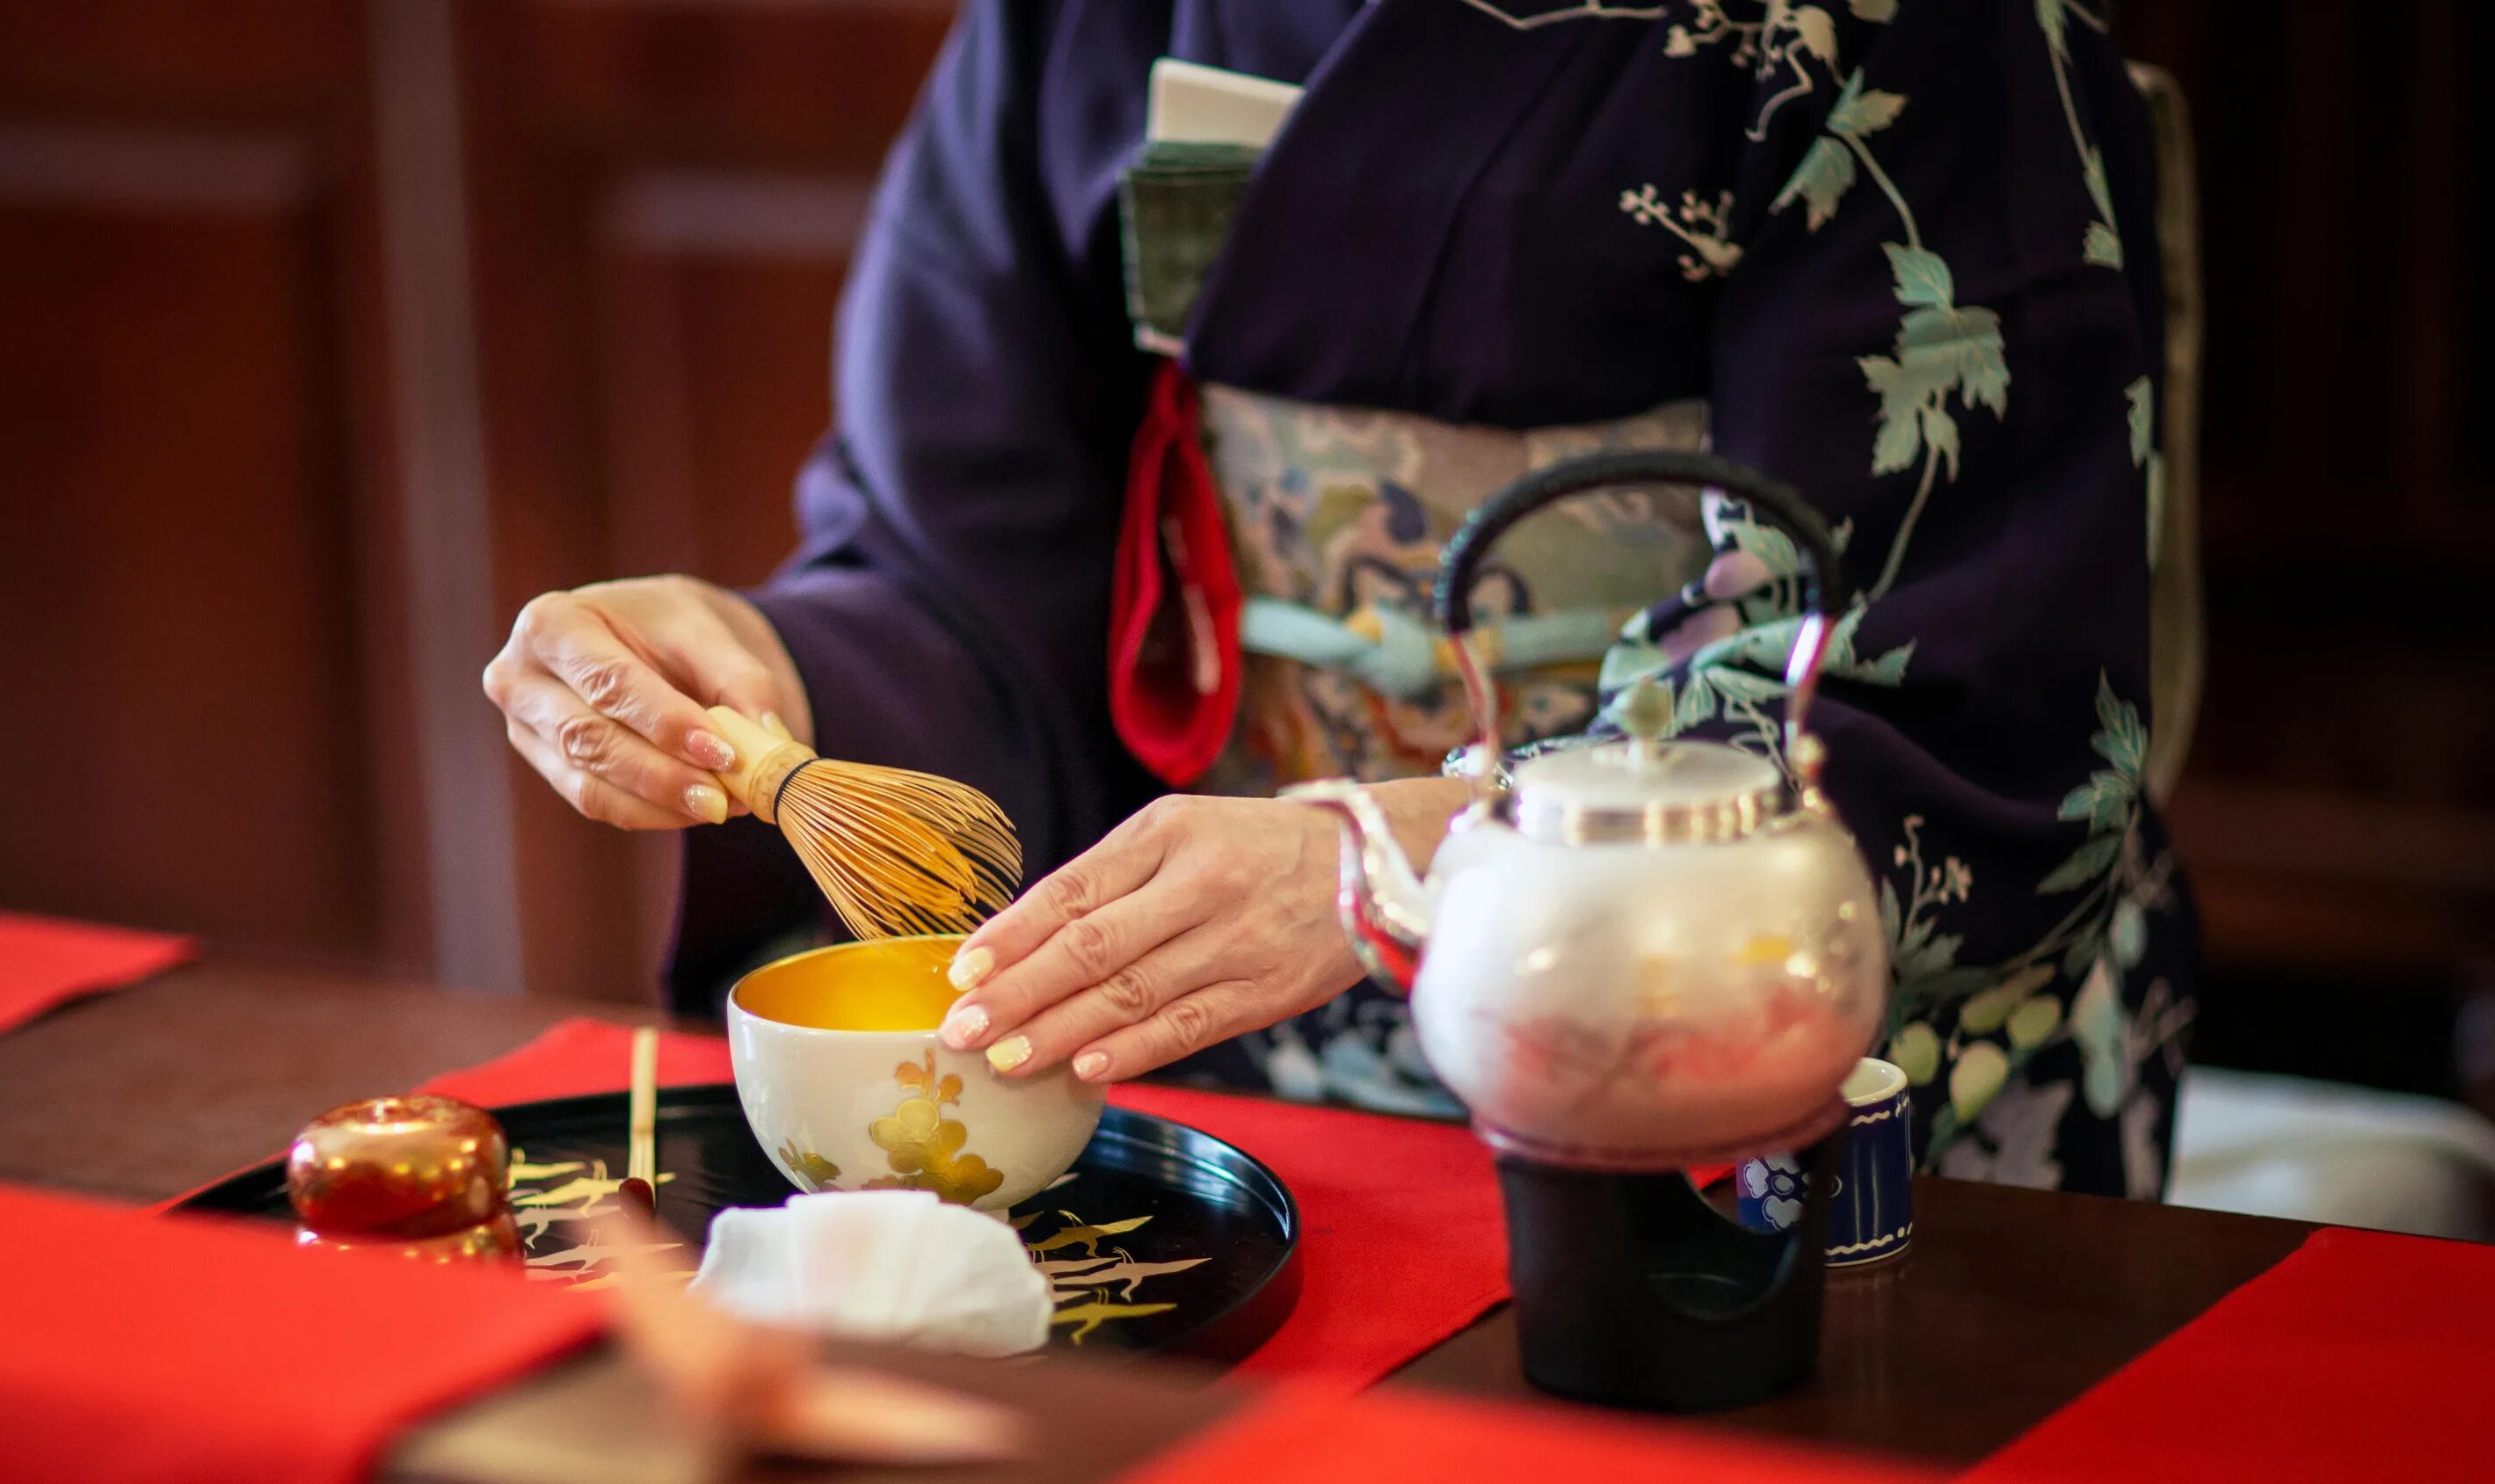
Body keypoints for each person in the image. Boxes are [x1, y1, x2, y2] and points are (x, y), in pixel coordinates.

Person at [482, 0, 2193, 1197]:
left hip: (1766, 1098)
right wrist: (762, 677)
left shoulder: (1899, 22)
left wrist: (1406, 860)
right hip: (1228, 1074)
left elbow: (1938, 692)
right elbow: (967, 566)